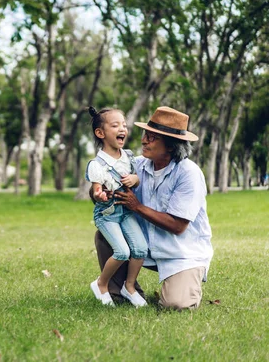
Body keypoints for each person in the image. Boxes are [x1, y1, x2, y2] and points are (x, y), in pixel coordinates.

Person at [94, 106, 213, 310]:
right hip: (144, 247)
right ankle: (122, 290)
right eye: (145, 135)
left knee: (176, 304)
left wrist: (137, 207)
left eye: (152, 137)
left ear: (170, 145)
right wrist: (98, 193)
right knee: (105, 233)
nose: (143, 140)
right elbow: (102, 186)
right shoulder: (136, 165)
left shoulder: (189, 174)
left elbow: (178, 226)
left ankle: (182, 284)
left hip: (181, 254)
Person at [85, 107, 148, 307]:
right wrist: (100, 194)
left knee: (140, 249)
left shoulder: (129, 157)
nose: (122, 129)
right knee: (122, 252)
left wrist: (134, 179)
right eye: (115, 125)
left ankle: (128, 287)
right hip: (108, 215)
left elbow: (138, 181)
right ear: (100, 133)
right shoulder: (97, 164)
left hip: (127, 212)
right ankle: (101, 284)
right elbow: (96, 191)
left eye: (124, 125)